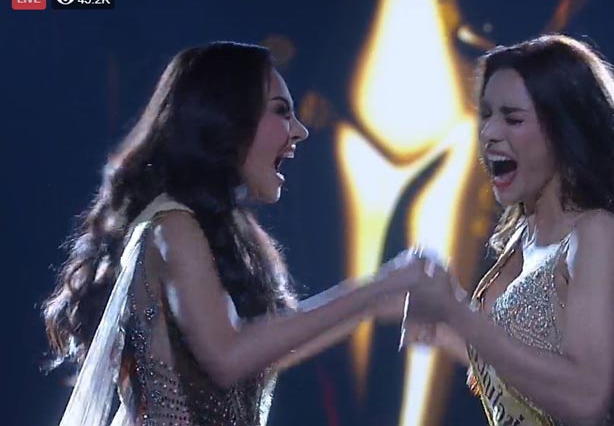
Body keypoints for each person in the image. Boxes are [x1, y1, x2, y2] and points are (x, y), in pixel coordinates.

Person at [42, 41, 417, 426]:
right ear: (226, 118)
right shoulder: (173, 226)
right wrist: (374, 289)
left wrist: (371, 305)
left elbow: (259, 355)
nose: (300, 131)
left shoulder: (215, 229)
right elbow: (228, 357)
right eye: (281, 111)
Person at [389, 35, 614, 426]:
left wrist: (461, 318)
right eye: (487, 115)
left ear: (564, 128)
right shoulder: (522, 239)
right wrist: (441, 324)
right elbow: (520, 374)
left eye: (512, 118)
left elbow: (588, 403)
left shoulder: (597, 234)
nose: (489, 132)